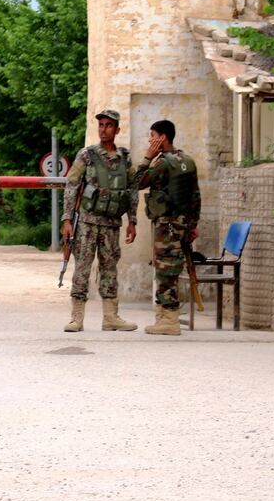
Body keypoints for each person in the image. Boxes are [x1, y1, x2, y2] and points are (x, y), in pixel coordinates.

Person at [61, 109, 139, 332]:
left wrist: (132, 220)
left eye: (108, 125)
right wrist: (67, 219)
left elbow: (132, 189)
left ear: (117, 129)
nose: (104, 129)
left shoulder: (125, 158)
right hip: (87, 222)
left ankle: (111, 317)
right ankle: (77, 318)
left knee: (110, 269)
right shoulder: (86, 155)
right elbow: (72, 185)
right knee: (82, 268)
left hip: (112, 224)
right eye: (101, 125)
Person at [132, 119, 201, 336]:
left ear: (162, 137)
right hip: (181, 223)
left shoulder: (162, 163)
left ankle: (170, 319)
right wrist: (192, 225)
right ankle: (163, 316)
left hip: (167, 224)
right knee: (169, 266)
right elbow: (195, 197)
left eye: (152, 135)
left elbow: (136, 182)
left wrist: (146, 158)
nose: (150, 140)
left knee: (165, 269)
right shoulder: (187, 161)